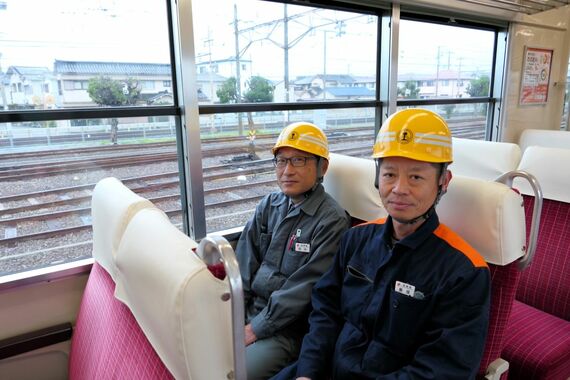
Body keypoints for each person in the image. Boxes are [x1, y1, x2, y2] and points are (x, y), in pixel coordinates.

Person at [273, 109, 491, 380]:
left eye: (416, 177)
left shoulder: (464, 272)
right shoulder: (356, 239)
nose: (399, 188)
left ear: (443, 182)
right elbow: (325, 312)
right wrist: (307, 372)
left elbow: (442, 369)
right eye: (389, 174)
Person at [236, 121, 351, 380]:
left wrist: (253, 329)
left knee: (232, 372)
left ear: (323, 167)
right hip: (250, 314)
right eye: (281, 161)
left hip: (286, 331)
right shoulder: (269, 204)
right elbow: (243, 263)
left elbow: (303, 290)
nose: (287, 170)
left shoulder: (332, 220)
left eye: (299, 160)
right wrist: (232, 314)